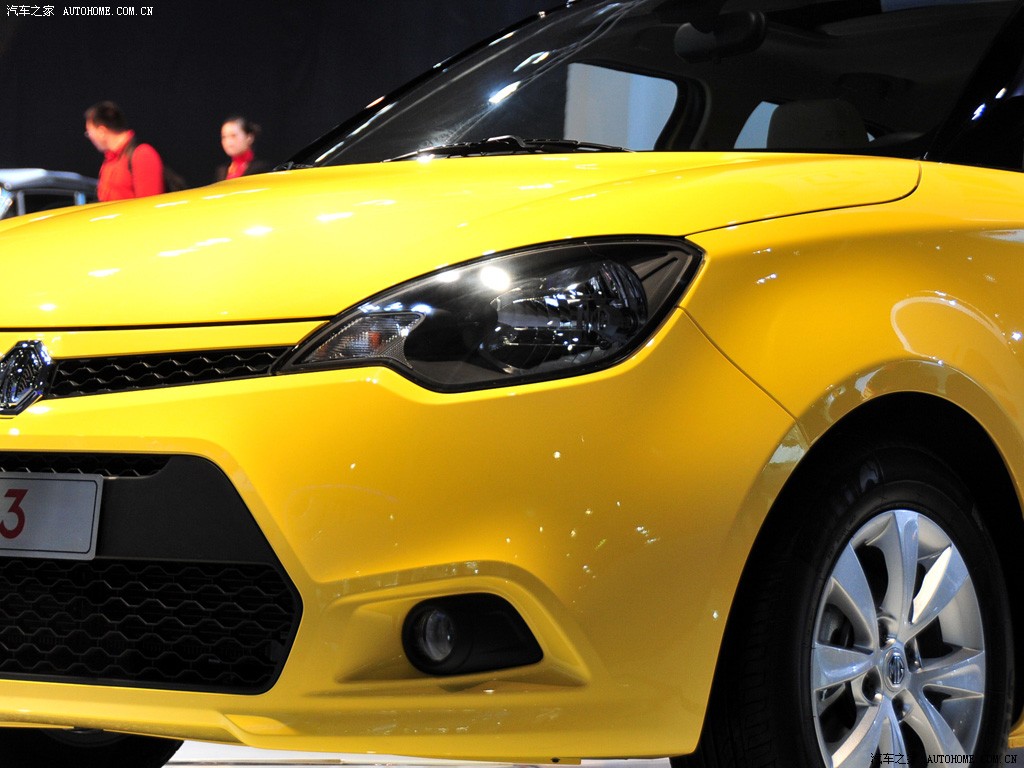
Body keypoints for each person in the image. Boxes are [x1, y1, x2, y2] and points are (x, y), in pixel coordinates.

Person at [84, 101, 165, 201]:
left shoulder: (142, 154)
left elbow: (149, 206)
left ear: (102, 132)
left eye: (89, 133)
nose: (90, 137)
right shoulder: (109, 161)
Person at [216, 116, 270, 181]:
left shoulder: (261, 168)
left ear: (249, 137)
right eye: (224, 137)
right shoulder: (222, 171)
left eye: (233, 136)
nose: (228, 142)